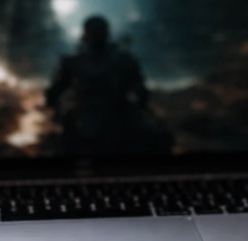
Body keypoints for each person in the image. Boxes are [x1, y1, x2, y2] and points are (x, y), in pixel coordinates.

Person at [45, 16, 172, 155]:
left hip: (101, 118)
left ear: (85, 34)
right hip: (106, 119)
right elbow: (141, 93)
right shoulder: (122, 59)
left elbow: (54, 93)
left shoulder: (75, 62)